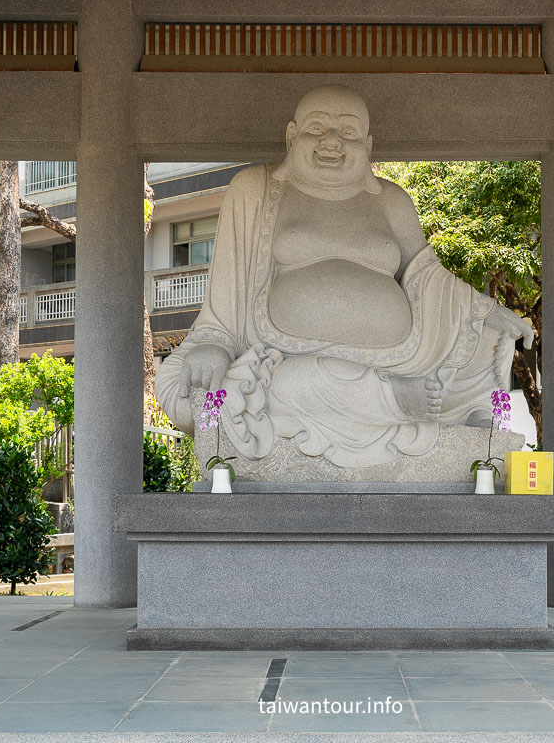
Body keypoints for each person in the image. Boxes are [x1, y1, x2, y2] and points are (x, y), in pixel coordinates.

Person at [156, 85, 529, 468]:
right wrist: (215, 344)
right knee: (268, 384)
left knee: (484, 337)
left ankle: (437, 404)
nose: (331, 141)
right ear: (291, 136)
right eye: (317, 128)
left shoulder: (391, 200)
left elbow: (426, 276)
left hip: (406, 359)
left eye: (347, 132)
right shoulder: (254, 190)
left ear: (368, 145)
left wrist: (485, 312)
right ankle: (397, 401)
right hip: (288, 358)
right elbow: (226, 293)